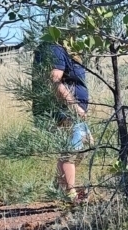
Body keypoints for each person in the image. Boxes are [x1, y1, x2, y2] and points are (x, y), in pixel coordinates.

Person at [33, 40, 91, 202]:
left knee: (85, 144)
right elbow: (54, 80)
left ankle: (58, 187)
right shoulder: (55, 48)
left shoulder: (66, 49)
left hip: (70, 110)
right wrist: (73, 106)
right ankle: (69, 194)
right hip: (63, 110)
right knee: (70, 150)